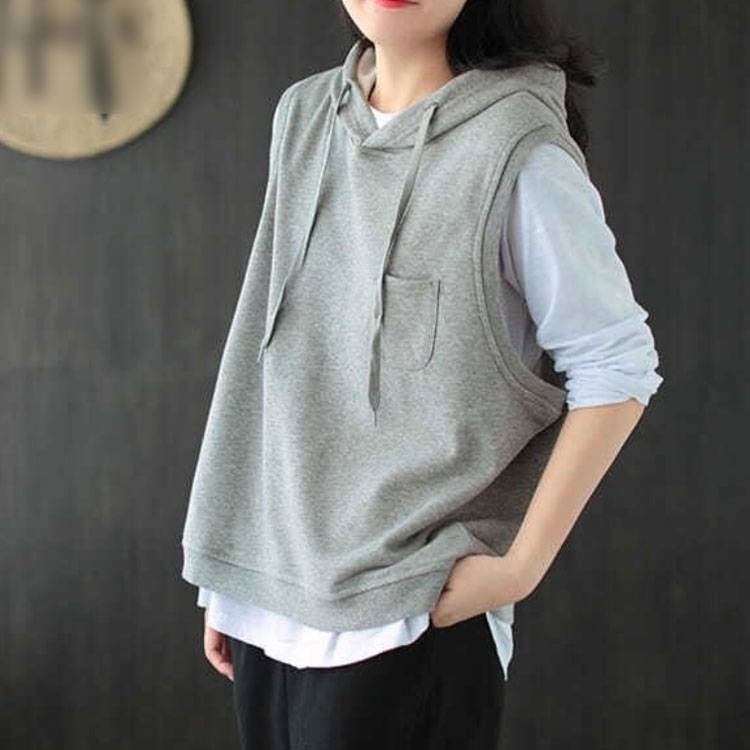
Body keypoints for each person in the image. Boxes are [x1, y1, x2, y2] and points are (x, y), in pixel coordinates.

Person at [180, 1, 664, 748]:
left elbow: (617, 363)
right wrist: (238, 570)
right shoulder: (304, 115)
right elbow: (271, 356)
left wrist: (518, 568)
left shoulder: (516, 145)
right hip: (271, 605)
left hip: (409, 615)